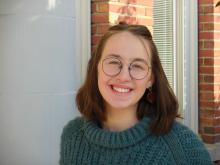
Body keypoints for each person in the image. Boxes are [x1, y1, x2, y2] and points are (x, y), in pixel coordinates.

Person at [59, 22, 212, 165]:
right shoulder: (72, 136)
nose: (124, 76)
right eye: (113, 62)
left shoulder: (183, 147)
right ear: (96, 68)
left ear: (150, 79)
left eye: (137, 66)